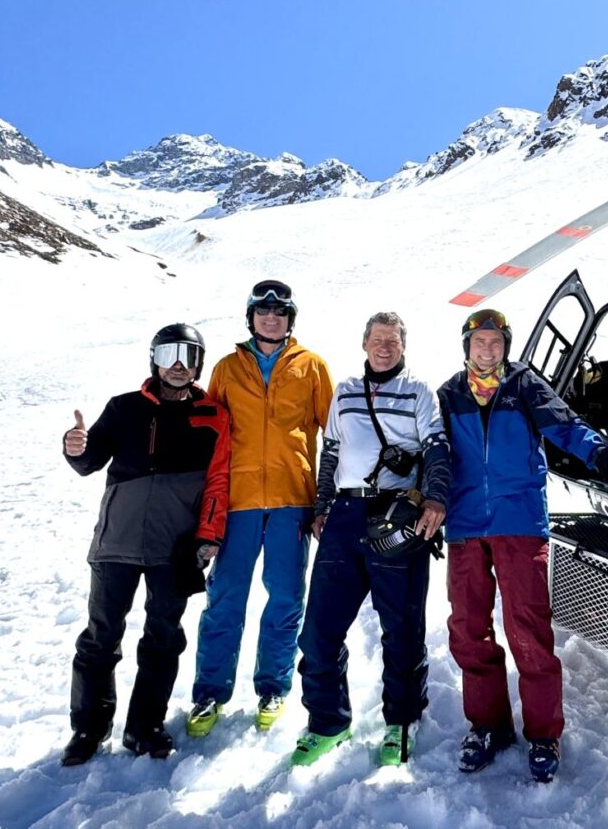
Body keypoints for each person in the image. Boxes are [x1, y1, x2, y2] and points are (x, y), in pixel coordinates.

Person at [437, 308, 608, 783]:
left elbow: (565, 426)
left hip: (518, 522)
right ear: (466, 346)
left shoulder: (523, 385)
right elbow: (431, 453)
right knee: (467, 628)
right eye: (479, 341)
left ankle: (544, 733)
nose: (488, 349)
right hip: (465, 526)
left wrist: (600, 452)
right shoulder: (449, 395)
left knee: (528, 628)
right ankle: (488, 725)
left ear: (506, 346)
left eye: (496, 342)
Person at [59, 324, 230, 766]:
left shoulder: (213, 415)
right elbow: (88, 460)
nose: (178, 363)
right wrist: (75, 446)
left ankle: (144, 727)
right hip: (116, 542)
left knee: (163, 638)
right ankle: (89, 729)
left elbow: (218, 481)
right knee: (101, 638)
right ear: (154, 357)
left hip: (172, 547)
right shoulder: (124, 408)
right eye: (170, 352)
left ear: (198, 363)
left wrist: (209, 535)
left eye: (189, 355)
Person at [291, 311, 452, 767]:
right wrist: (322, 506)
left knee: (401, 629)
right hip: (344, 515)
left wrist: (435, 500)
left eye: (393, 340)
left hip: (398, 518)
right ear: (364, 344)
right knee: (320, 628)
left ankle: (401, 721)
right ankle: (327, 722)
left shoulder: (419, 393)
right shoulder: (343, 392)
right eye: (377, 339)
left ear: (404, 345)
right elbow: (332, 452)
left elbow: (438, 448)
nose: (385, 346)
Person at [187, 280, 333, 737]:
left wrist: (328, 502)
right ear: (250, 317)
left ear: (291, 318)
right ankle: (209, 692)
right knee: (225, 598)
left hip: (293, 500)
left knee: (287, 597)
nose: (271, 318)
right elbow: (207, 437)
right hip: (238, 503)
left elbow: (338, 435)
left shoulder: (312, 367)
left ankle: (273, 687)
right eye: (263, 311)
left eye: (280, 311)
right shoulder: (228, 369)